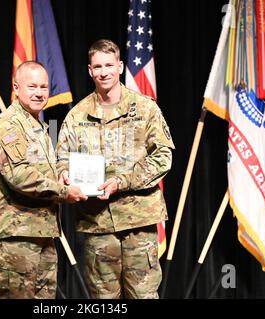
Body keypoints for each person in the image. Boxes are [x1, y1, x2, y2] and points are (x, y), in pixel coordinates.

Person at [56, 39, 175, 299]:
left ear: (120, 66)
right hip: (96, 222)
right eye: (97, 66)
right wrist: (65, 174)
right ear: (90, 70)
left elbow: (164, 156)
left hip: (138, 221)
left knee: (143, 296)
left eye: (109, 65)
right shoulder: (77, 115)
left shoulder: (145, 108)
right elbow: (61, 158)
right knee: (103, 299)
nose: (104, 72)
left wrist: (122, 181)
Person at [0, 61, 87, 299]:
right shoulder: (7, 125)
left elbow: (43, 171)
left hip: (44, 235)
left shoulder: (41, 127)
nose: (39, 93)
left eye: (44, 86)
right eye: (32, 86)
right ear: (16, 87)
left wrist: (61, 175)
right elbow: (19, 175)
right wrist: (63, 191)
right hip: (16, 239)